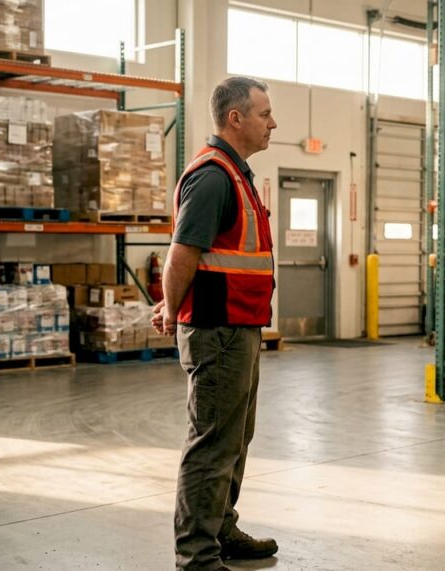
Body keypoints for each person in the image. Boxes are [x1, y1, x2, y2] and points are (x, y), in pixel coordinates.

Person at [152, 76, 278, 571]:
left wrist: (170, 303)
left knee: (235, 437)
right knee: (211, 442)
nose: (273, 123)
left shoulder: (235, 172)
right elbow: (182, 253)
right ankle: (196, 555)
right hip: (217, 330)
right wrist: (172, 304)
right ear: (236, 118)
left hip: (239, 326)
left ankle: (221, 528)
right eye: (265, 114)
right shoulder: (213, 176)